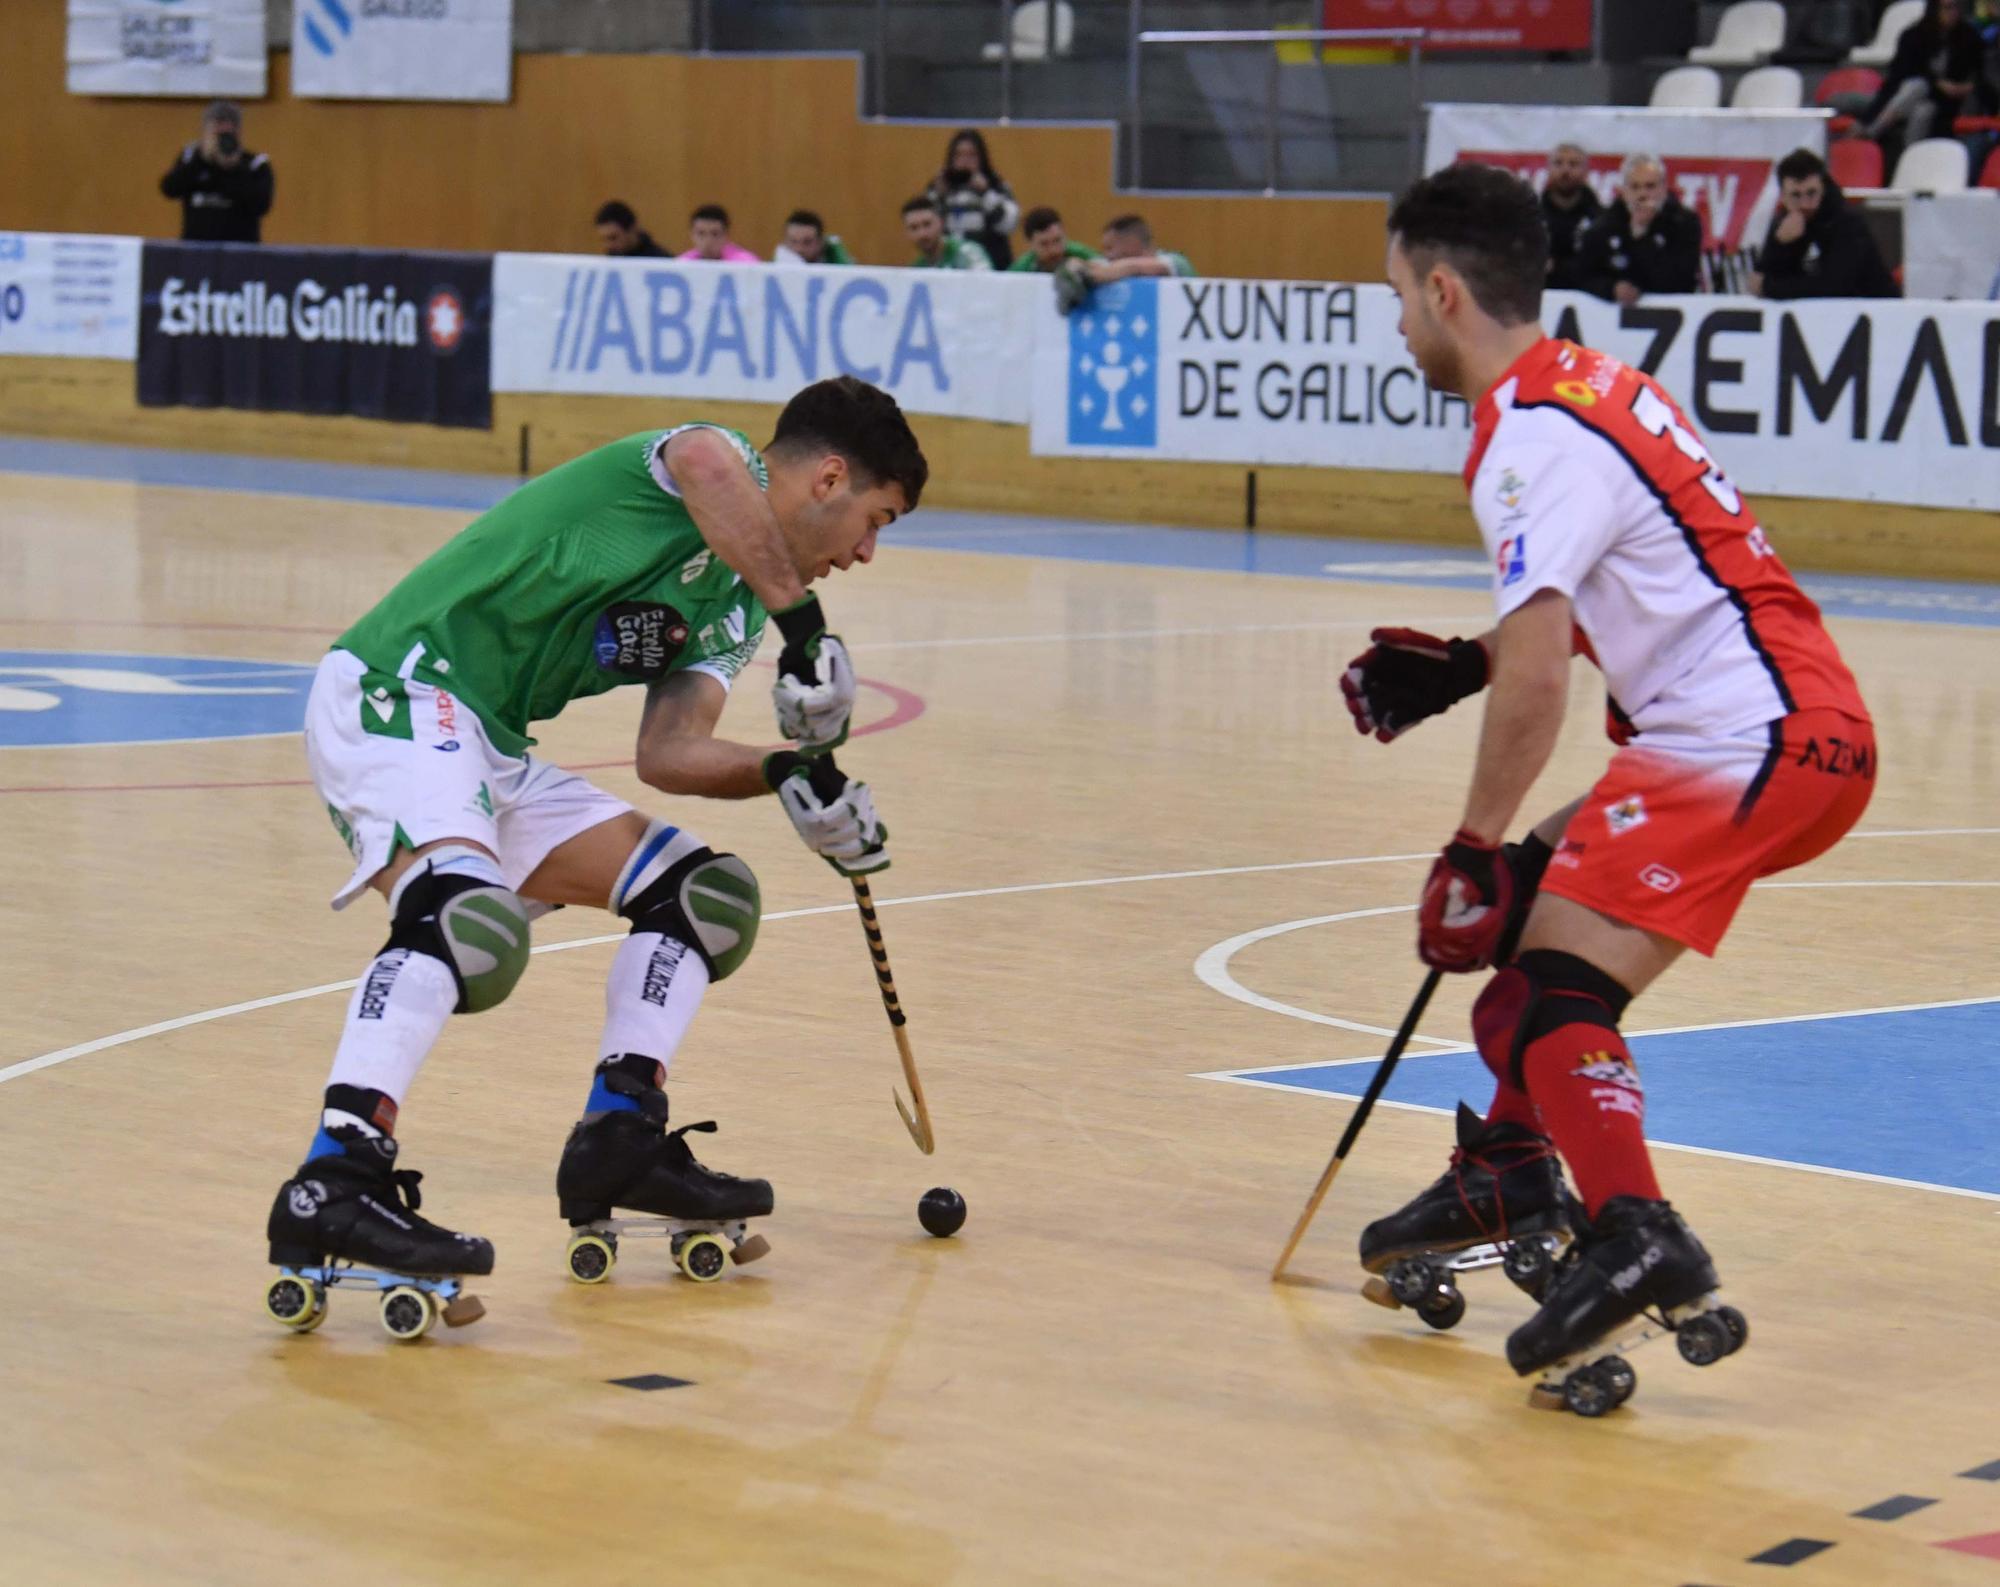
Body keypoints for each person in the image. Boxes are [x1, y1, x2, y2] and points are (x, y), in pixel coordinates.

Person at [1343, 163, 1874, 1414]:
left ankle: (1637, 1231)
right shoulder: (1595, 390)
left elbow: (1542, 686)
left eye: (1396, 300)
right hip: (1777, 728)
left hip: (1745, 738)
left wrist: (1469, 843)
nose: (1398, 327)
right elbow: (1632, 595)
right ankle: (1511, 1173)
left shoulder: (1528, 438)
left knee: (1548, 977)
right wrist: (1459, 669)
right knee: (1530, 960)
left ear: (1440, 289)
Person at [263, 377, 928, 1327]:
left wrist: (788, 772)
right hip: (398, 691)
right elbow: (701, 462)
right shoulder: (710, 463)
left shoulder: (738, 606)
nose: (865, 551)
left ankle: (620, 1135)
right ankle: (335, 1175)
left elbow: (670, 752)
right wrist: (806, 630)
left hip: (484, 740)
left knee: (705, 897)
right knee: (467, 924)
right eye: (876, 519)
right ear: (828, 475)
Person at [1749, 148, 1899, 299]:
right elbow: (1758, 281)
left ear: (1823, 189)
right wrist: (1779, 244)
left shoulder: (1847, 223)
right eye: (1796, 195)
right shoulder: (1784, 223)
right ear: (1783, 197)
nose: (1805, 204)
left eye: (1811, 193)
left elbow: (1833, 287)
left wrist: (1769, 288)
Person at [1859, 0, 1988, 155]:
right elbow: (1900, 76)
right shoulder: (1914, 36)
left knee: (1921, 107)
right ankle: (1893, 145)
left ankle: (1878, 137)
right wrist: (1938, 84)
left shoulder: (1969, 37)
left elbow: (1980, 75)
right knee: (1918, 91)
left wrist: (1967, 87)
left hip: (1949, 102)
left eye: (1956, 7)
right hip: (1912, 94)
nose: (1953, 13)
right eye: (1947, 8)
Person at [1574, 154, 1701, 304]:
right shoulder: (1604, 225)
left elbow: (1682, 280)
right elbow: (1582, 277)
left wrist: (1641, 236)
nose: (1642, 194)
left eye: (1650, 186)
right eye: (1635, 187)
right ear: (1624, 191)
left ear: (1664, 188)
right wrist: (1611, 289)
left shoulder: (1684, 223)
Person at [159, 101, 273, 245]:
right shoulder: (191, 159)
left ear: (238, 132)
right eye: (217, 133)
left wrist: (234, 169)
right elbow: (169, 189)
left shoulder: (255, 164)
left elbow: (261, 206)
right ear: (205, 132)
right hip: (195, 251)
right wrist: (201, 160)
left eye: (227, 134)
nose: (222, 140)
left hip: (241, 252)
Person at [924, 129, 1020, 270]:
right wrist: (939, 196)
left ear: (981, 158)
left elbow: (1009, 224)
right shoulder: (938, 187)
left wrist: (986, 193)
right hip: (947, 266)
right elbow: (925, 225)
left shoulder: (996, 185)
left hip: (990, 264)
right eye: (959, 155)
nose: (965, 161)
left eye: (971, 155)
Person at [1539, 143, 1602, 293]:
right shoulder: (1531, 216)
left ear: (1586, 171)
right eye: (1558, 163)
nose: (1565, 170)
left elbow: (1597, 266)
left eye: (1573, 164)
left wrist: (1556, 267)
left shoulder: (1600, 218)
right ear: (1548, 169)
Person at [1083, 215, 1197, 284]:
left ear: (1132, 244)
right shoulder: (1113, 265)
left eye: (1110, 248)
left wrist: (1092, 274)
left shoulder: (1177, 263)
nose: (1107, 255)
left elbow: (1132, 267)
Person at [903, 196, 991, 269]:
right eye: (914, 228)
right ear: (907, 232)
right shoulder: (917, 269)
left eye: (927, 224)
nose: (922, 234)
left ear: (941, 223)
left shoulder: (968, 254)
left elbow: (986, 287)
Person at [1009, 207, 1101, 273]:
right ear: (1031, 244)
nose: (1053, 250)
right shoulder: (1021, 269)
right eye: (1044, 244)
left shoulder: (1081, 254)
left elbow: (1106, 266)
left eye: (1057, 240)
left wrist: (1086, 267)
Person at [681, 204, 761, 263]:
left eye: (715, 234)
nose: (708, 241)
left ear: (726, 235)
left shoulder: (746, 264)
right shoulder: (682, 264)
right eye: (701, 234)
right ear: (691, 235)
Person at [773, 210, 855, 266]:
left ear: (821, 242)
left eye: (807, 242)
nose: (799, 249)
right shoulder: (777, 263)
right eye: (793, 241)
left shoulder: (836, 257)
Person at [594, 200, 669, 259]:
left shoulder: (662, 263)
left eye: (613, 238)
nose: (608, 245)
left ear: (632, 229)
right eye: (604, 240)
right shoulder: (609, 263)